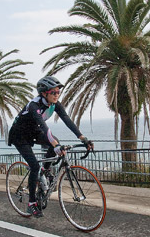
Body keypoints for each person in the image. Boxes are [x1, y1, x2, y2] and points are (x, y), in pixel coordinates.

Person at [8, 75, 93, 218]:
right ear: (43, 93)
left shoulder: (55, 104)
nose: (57, 95)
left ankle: (45, 170)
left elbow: (67, 120)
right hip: (19, 135)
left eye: (58, 92)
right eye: (53, 92)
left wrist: (83, 138)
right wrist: (56, 145)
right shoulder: (34, 105)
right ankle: (31, 204)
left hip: (33, 132)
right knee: (35, 165)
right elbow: (44, 126)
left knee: (54, 142)